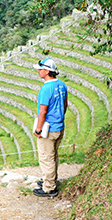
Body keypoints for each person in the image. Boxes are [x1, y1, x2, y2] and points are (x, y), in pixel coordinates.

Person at [32, 58, 68, 198]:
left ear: (47, 71)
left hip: (48, 129)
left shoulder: (46, 89)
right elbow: (65, 105)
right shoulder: (62, 85)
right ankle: (50, 181)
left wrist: (38, 129)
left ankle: (49, 188)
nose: (38, 71)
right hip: (59, 127)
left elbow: (43, 112)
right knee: (53, 156)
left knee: (46, 158)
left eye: (40, 69)